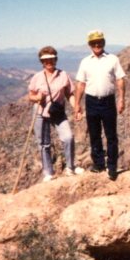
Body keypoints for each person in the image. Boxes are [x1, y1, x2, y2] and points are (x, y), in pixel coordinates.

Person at [74, 30, 126, 180]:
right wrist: (77, 104)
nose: (97, 45)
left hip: (108, 101)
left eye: (99, 42)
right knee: (94, 134)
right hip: (91, 102)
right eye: (93, 43)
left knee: (111, 135)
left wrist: (121, 99)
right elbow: (80, 84)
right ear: (89, 45)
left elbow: (120, 79)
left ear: (103, 42)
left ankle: (112, 167)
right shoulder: (85, 62)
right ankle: (98, 164)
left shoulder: (113, 59)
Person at [28, 46, 84, 182]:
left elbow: (70, 94)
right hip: (41, 112)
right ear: (42, 62)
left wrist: (76, 108)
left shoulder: (63, 75)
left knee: (68, 137)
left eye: (51, 59)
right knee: (44, 143)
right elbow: (31, 95)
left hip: (57, 112)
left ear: (56, 59)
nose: (49, 62)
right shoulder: (37, 77)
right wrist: (37, 97)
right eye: (45, 60)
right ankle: (48, 172)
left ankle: (70, 167)